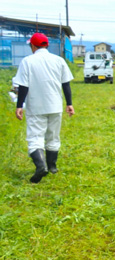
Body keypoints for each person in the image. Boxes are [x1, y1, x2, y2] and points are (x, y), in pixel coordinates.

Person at [13, 32, 75, 183]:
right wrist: (69, 103)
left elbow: (23, 86)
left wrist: (19, 105)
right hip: (55, 105)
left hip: (36, 106)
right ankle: (52, 166)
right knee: (53, 136)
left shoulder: (27, 61)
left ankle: (41, 166)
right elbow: (65, 84)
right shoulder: (59, 60)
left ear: (33, 46)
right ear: (46, 45)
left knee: (35, 137)